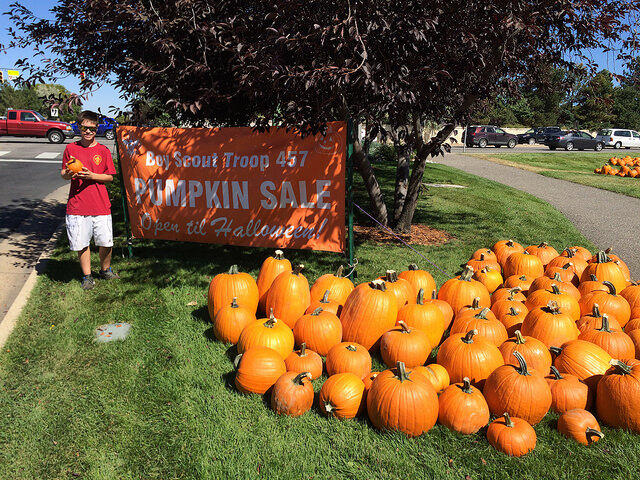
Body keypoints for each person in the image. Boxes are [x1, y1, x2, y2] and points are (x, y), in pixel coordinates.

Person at [60, 110, 119, 290]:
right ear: (79, 127)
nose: (88, 131)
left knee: (106, 242)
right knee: (81, 243)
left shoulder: (103, 150)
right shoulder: (71, 149)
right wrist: (69, 173)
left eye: (91, 128)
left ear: (96, 129)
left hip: (100, 204)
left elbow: (110, 177)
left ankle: (105, 269)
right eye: (84, 128)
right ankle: (87, 276)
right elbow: (63, 173)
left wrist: (92, 175)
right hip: (78, 205)